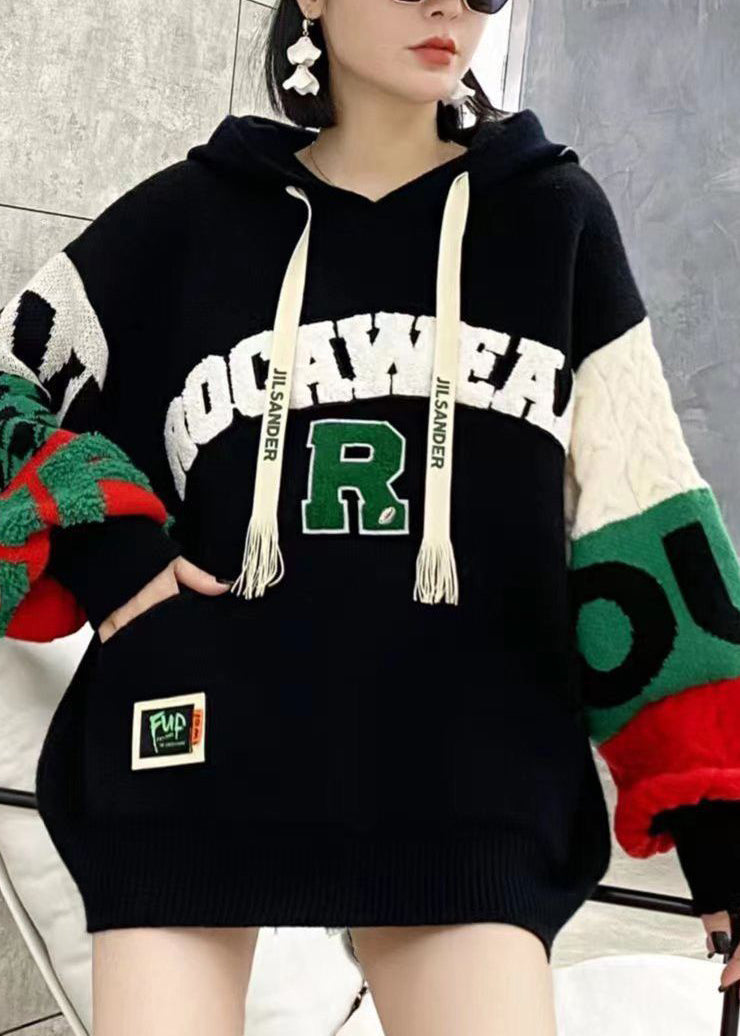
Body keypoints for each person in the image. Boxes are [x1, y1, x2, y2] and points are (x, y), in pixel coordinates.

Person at [2, 0, 740, 1032]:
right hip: (187, 766)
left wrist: (720, 841)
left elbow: (643, 514)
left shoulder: (550, 219)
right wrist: (112, 551)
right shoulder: (188, 219)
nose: (449, 6)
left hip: (466, 781)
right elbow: (13, 378)